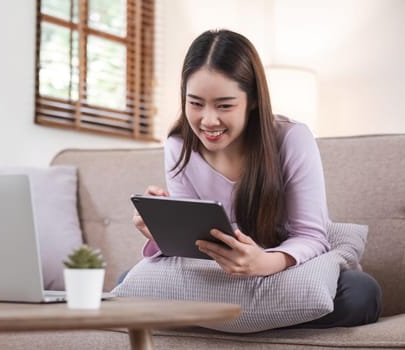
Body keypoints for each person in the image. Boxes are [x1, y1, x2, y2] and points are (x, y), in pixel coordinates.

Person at [132, 29, 381, 328]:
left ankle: (228, 321)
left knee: (361, 293)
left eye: (224, 105)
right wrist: (162, 231)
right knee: (126, 284)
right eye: (195, 103)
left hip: (282, 272)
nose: (208, 120)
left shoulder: (292, 138)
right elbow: (195, 248)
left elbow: (311, 236)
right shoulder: (178, 145)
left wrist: (263, 263)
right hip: (216, 277)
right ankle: (254, 319)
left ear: (251, 100)